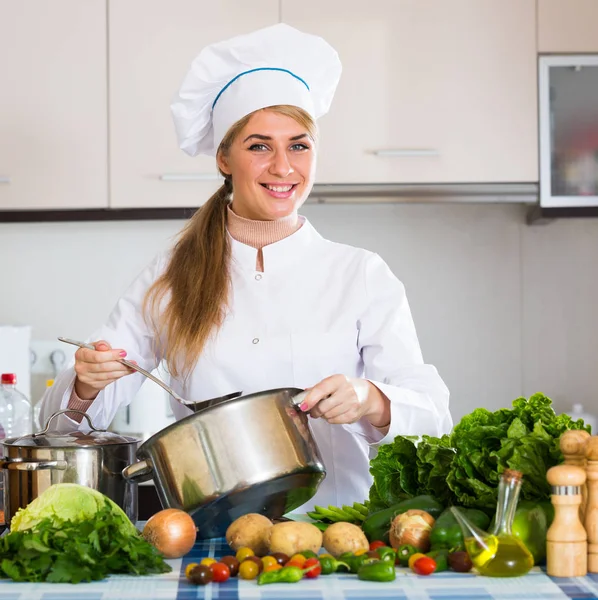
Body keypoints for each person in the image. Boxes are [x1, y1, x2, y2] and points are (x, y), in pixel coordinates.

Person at [41, 23, 452, 509]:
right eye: (260, 146)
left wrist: (370, 400)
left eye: (299, 145)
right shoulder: (171, 274)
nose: (283, 167)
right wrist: (88, 382)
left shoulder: (360, 274)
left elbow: (434, 418)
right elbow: (63, 428)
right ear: (223, 158)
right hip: (211, 538)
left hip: (337, 535)